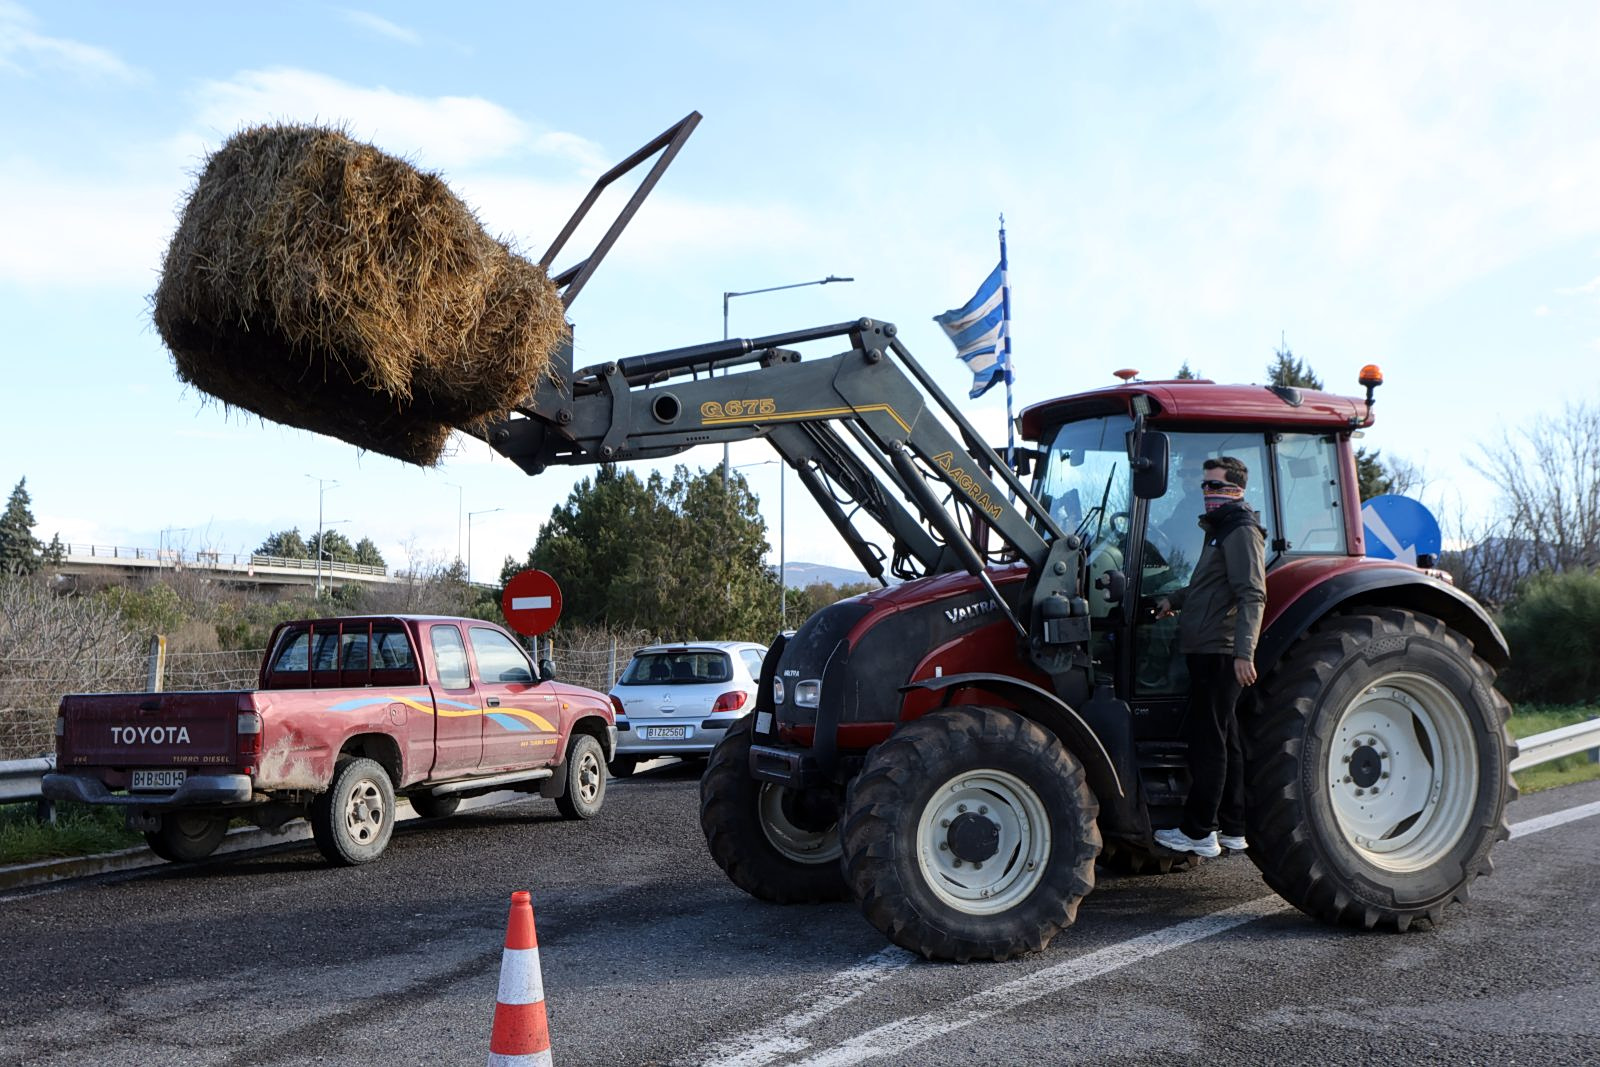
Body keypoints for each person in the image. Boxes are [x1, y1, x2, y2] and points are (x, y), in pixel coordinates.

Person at [1151, 456, 1267, 858]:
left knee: (1208, 742)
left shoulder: (1240, 530)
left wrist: (1243, 653)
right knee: (1227, 738)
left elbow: (1252, 593)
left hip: (1219, 650)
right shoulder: (1219, 530)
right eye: (1204, 486)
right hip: (1207, 647)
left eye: (1216, 486)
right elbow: (1206, 588)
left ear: (1237, 490)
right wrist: (1172, 600)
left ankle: (1199, 830)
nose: (1207, 494)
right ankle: (1234, 828)